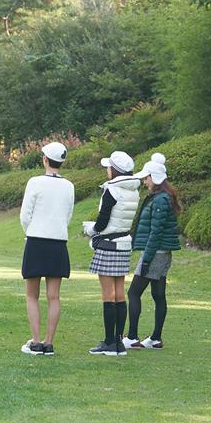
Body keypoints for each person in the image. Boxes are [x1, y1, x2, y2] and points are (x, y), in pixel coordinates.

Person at [19, 142, 75, 357]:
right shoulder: (69, 186)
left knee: (32, 295)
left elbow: (25, 214)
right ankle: (48, 343)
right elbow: (68, 215)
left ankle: (35, 341)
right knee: (54, 296)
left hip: (36, 239)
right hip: (58, 242)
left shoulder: (35, 182)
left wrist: (30, 230)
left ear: (45, 159)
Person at [84, 151, 140, 357]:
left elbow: (103, 221)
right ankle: (118, 342)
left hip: (108, 244)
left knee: (108, 295)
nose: (107, 170)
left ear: (114, 169)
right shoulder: (134, 190)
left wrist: (91, 230)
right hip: (124, 243)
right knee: (119, 294)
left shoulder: (112, 190)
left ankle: (109, 342)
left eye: (108, 167)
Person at [123, 153, 182, 349]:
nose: (145, 181)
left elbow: (155, 233)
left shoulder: (159, 201)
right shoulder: (164, 197)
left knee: (133, 293)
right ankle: (155, 338)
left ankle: (132, 337)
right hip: (163, 253)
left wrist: (146, 259)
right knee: (158, 294)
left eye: (146, 178)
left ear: (154, 178)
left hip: (155, 253)